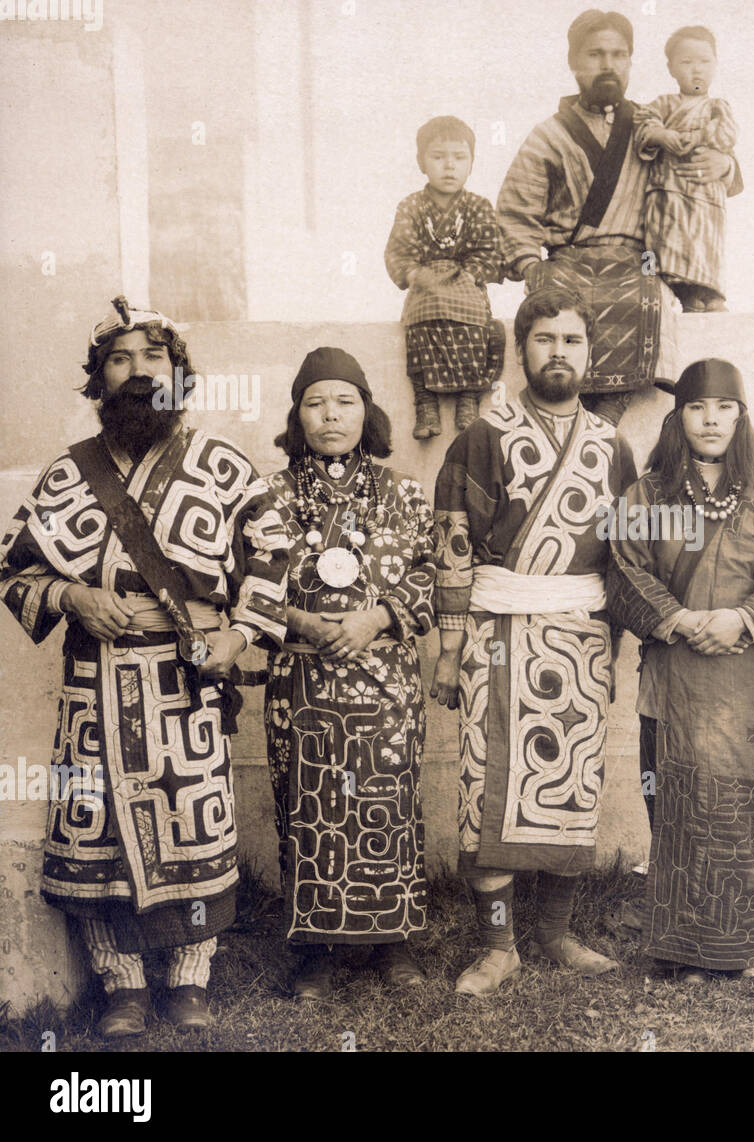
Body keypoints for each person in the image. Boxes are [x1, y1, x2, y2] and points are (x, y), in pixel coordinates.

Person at [0, 297, 289, 1037]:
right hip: (94, 681)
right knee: (96, 831)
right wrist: (71, 594)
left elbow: (275, 550)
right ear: (98, 382)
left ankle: (189, 981)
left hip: (184, 679)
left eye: (151, 358)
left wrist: (241, 633)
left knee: (191, 818)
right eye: (118, 361)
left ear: (179, 374)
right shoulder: (69, 475)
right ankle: (122, 985)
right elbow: (14, 570)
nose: (136, 373)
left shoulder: (222, 466)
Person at [431, 287, 637, 997]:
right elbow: (454, 546)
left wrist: (614, 639)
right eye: (545, 338)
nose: (559, 352)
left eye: (572, 340)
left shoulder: (612, 448)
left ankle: (555, 934)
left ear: (591, 352)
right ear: (522, 349)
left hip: (579, 638)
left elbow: (629, 556)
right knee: (487, 790)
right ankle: (497, 946)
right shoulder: (482, 437)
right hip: (498, 633)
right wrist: (450, 649)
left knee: (569, 786)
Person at [607, 359, 754, 981]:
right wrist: (677, 618)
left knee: (740, 813)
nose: (711, 419)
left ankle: (738, 948)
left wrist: (742, 619)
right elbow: (624, 572)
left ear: (741, 417)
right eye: (698, 407)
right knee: (679, 810)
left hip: (745, 680)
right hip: (674, 679)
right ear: (679, 418)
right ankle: (686, 949)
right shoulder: (646, 497)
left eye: (724, 408)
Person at [262, 347, 438, 999]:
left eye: (345, 400)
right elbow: (245, 585)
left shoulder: (404, 494)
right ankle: (314, 951)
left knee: (387, 803)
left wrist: (379, 617)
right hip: (301, 684)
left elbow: (431, 573)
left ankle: (392, 947)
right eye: (315, 402)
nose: (330, 415)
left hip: (386, 681)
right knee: (308, 806)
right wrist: (302, 622)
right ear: (297, 415)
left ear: (367, 411)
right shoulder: (271, 497)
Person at [496, 8, 742, 426]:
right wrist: (528, 263)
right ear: (574, 62)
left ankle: (609, 413)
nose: (608, 65)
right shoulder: (548, 135)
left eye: (618, 55)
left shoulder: (652, 122)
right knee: (555, 311)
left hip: (641, 254)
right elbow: (516, 209)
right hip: (567, 256)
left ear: (630, 62)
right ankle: (563, 411)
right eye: (595, 55)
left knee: (652, 292)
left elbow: (700, 156)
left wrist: (727, 166)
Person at [385, 115, 507, 439]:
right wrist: (414, 274)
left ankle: (469, 399)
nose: (449, 166)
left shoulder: (479, 207)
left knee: (479, 331)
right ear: (421, 162)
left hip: (466, 282)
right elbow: (400, 249)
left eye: (459, 157)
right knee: (420, 328)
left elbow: (490, 249)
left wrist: (470, 275)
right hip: (426, 285)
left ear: (471, 163)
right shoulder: (410, 206)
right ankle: (426, 404)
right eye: (438, 157)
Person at [634, 26, 738, 313]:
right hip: (669, 192)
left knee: (705, 243)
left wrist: (698, 139)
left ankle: (710, 291)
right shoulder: (663, 104)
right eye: (687, 62)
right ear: (671, 68)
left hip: (706, 196)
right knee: (666, 243)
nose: (696, 70)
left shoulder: (718, 107)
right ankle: (684, 291)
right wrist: (662, 136)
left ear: (716, 64)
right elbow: (643, 127)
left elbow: (727, 136)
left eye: (704, 62)